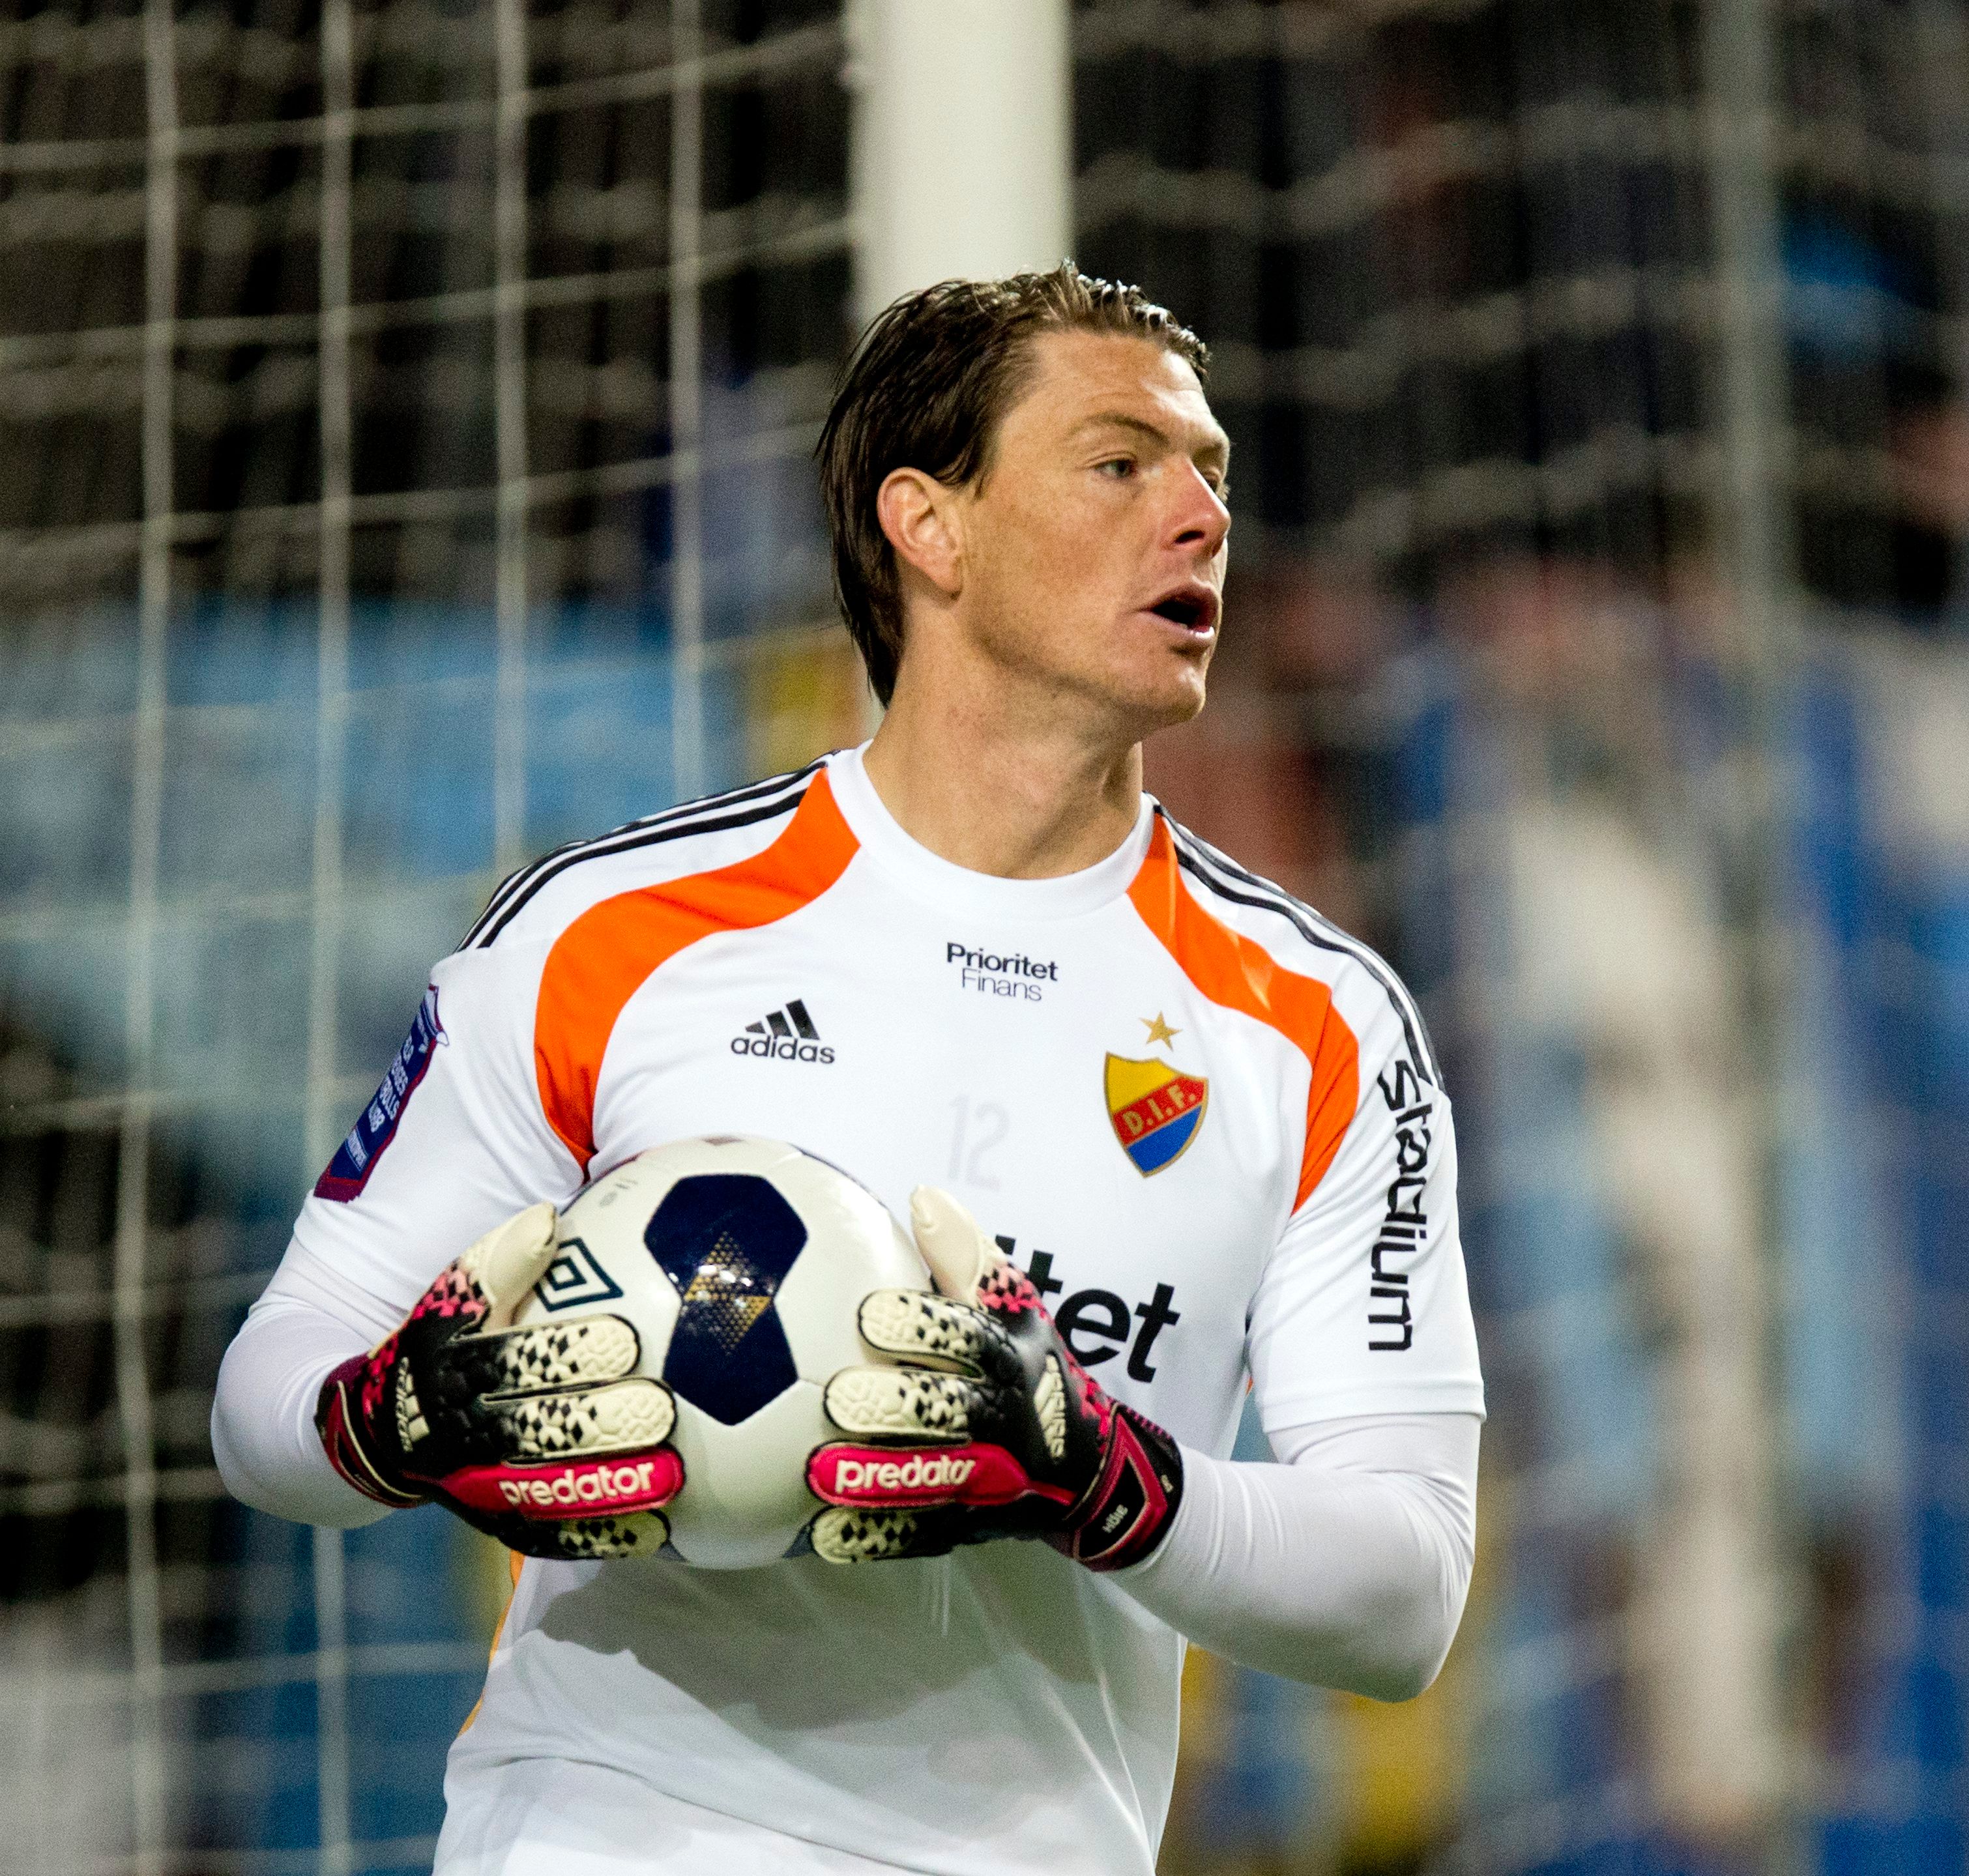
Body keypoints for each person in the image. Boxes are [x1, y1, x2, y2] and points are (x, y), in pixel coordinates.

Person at [210, 267, 1483, 1876]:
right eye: (1120, 463)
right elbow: (268, 1397)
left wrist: (1106, 1479)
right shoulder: (609, 934)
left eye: (1209, 471)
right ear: (927, 526)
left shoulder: (1320, 1023)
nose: (1200, 516)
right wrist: (394, 1421)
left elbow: (1406, 1593)